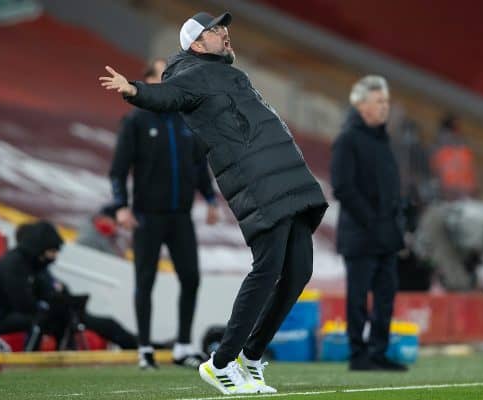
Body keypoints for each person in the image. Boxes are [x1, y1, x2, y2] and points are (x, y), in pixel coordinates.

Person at [100, 11, 327, 394]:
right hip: (260, 183)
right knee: (268, 268)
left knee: (299, 271)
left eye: (224, 28)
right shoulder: (191, 75)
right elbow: (166, 96)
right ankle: (221, 363)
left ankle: (251, 358)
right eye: (215, 30)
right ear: (196, 44)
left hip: (287, 178)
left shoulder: (229, 73)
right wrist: (134, 89)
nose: (224, 34)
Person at [108, 58, 220, 369]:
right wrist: (120, 207)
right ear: (147, 81)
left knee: (191, 278)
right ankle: (144, 348)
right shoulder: (136, 121)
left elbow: (198, 166)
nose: (172, 80)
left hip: (180, 216)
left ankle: (183, 346)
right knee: (145, 281)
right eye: (163, 75)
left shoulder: (187, 119)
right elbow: (118, 170)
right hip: (147, 215)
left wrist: (210, 200)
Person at [330, 75, 408, 372]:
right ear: (360, 104)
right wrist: (372, 220)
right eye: (379, 101)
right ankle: (358, 354)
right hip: (360, 235)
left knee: (386, 297)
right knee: (359, 298)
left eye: (386, 101)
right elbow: (342, 187)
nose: (385, 107)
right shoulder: (347, 139)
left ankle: (378, 352)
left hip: (386, 235)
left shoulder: (383, 139)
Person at [0, 221, 145, 351]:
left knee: (71, 318)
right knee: (49, 319)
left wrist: (64, 300)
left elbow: (48, 291)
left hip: (19, 314)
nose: (54, 256)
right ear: (40, 248)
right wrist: (52, 306)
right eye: (52, 252)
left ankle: (141, 345)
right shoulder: (12, 265)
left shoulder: (34, 265)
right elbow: (23, 304)